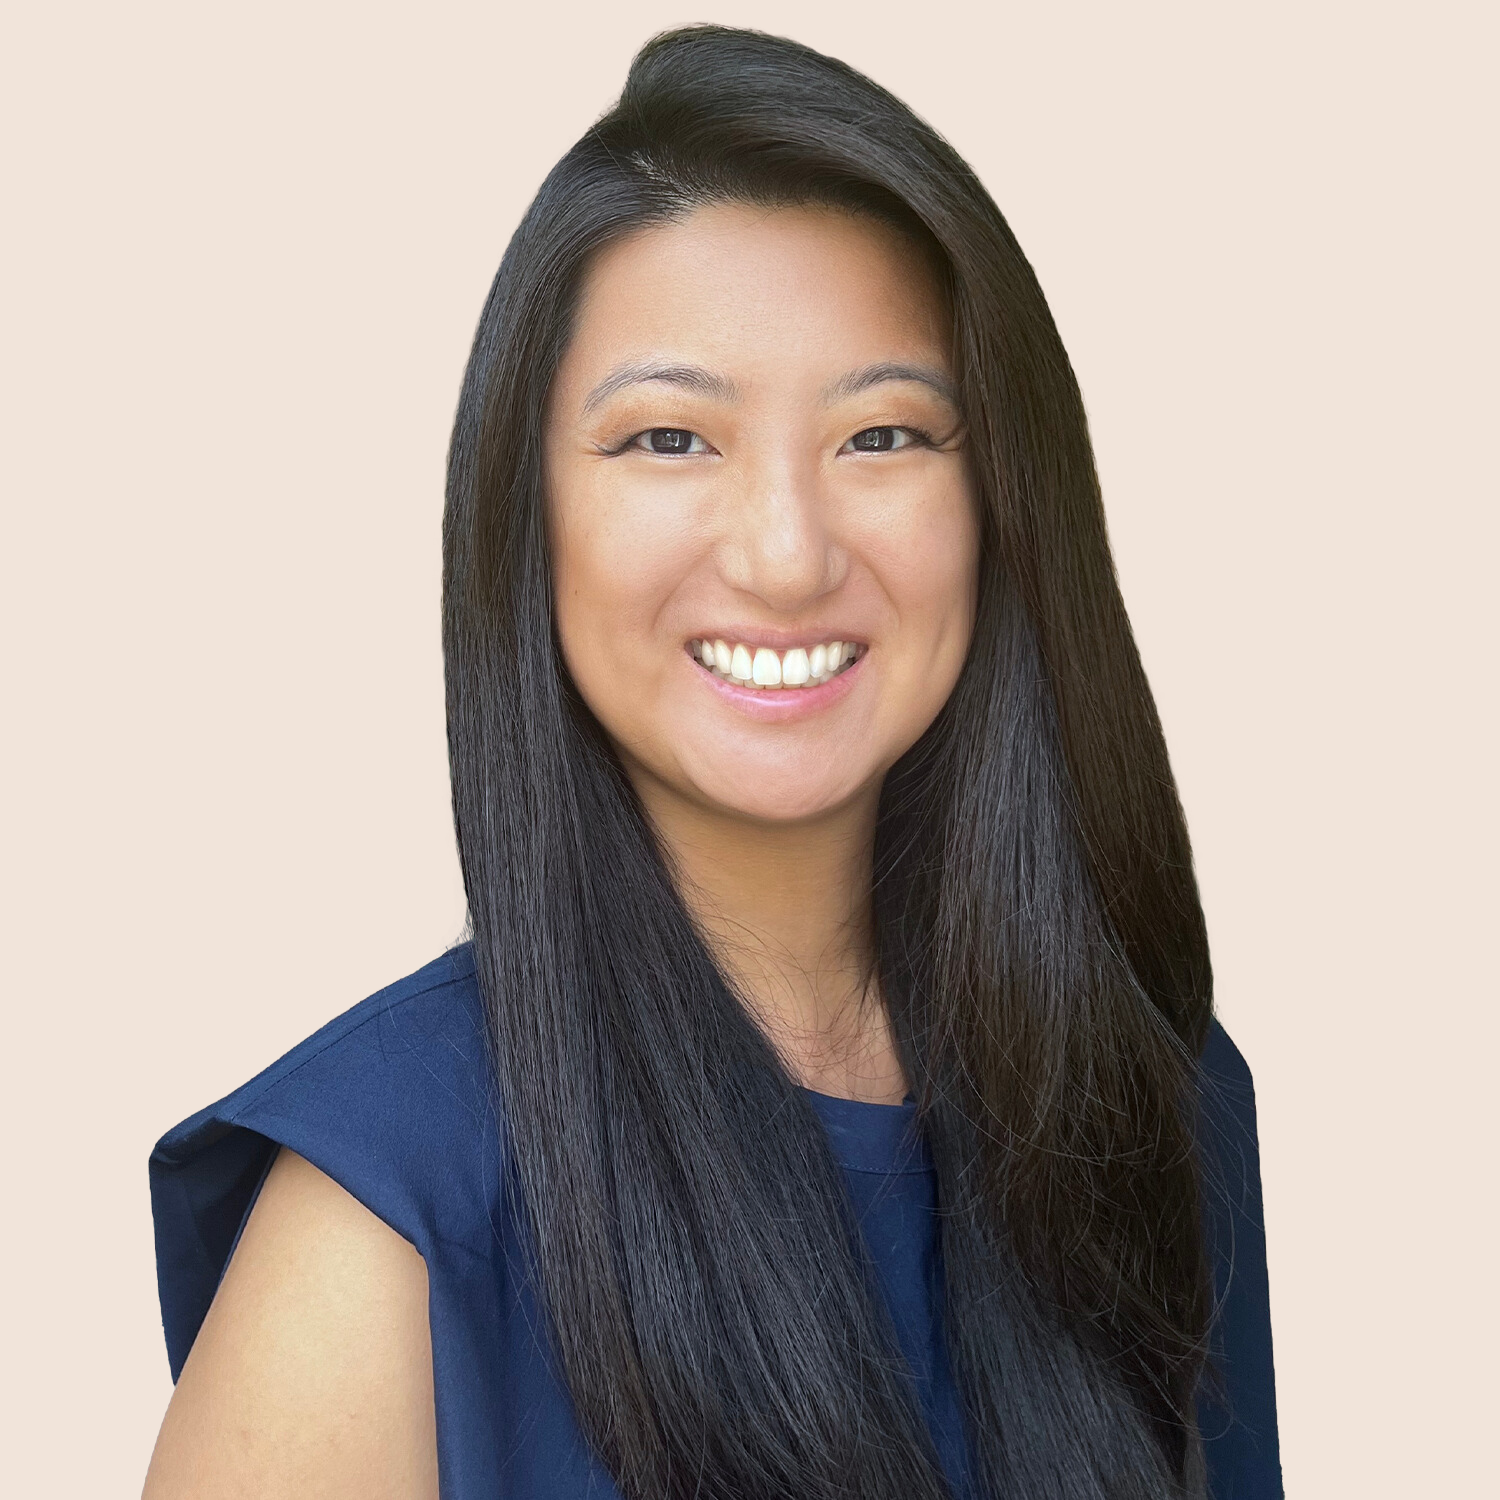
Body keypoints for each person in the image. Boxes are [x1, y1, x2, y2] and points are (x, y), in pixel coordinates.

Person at [144, 25, 1281, 1500]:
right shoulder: (385, 1218)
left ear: (1005, 499)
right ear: (524, 516)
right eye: (671, 439)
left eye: (884, 435)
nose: (787, 553)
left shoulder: (1154, 1101)